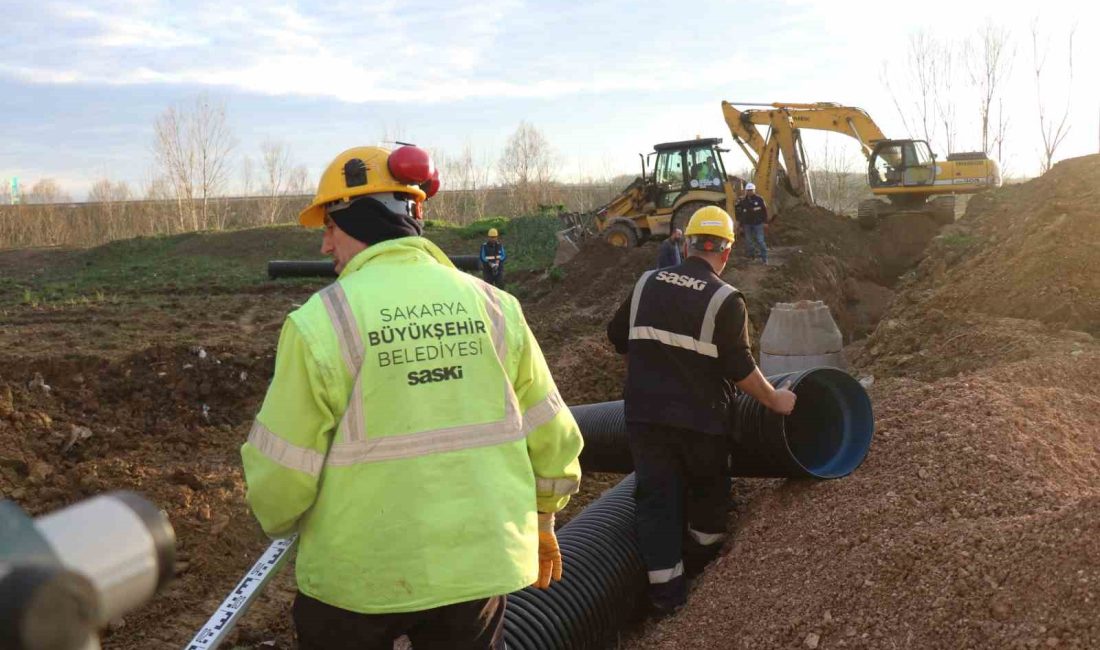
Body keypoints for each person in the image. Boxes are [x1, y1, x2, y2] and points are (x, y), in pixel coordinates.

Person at [241, 145, 583, 650]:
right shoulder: (496, 308)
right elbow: (552, 434)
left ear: (359, 218)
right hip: (474, 573)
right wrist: (545, 515)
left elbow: (282, 472)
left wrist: (280, 519)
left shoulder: (321, 322)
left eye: (329, 227)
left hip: (356, 582)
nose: (323, 246)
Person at [606, 205, 796, 618]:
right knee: (708, 496)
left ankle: (667, 598)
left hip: (645, 418)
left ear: (688, 243)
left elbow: (617, 337)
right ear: (726, 251)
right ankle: (701, 571)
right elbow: (741, 368)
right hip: (702, 422)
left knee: (656, 500)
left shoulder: (645, 283)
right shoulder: (726, 299)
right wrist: (775, 400)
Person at [736, 183, 770, 264]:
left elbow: (764, 211)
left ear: (754, 190)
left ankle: (764, 258)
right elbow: (740, 213)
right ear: (746, 191)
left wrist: (765, 222)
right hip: (747, 224)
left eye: (751, 190)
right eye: (748, 190)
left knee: (760, 241)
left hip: (758, 224)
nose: (749, 192)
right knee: (749, 241)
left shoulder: (759, 200)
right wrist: (740, 225)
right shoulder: (743, 201)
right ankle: (752, 256)